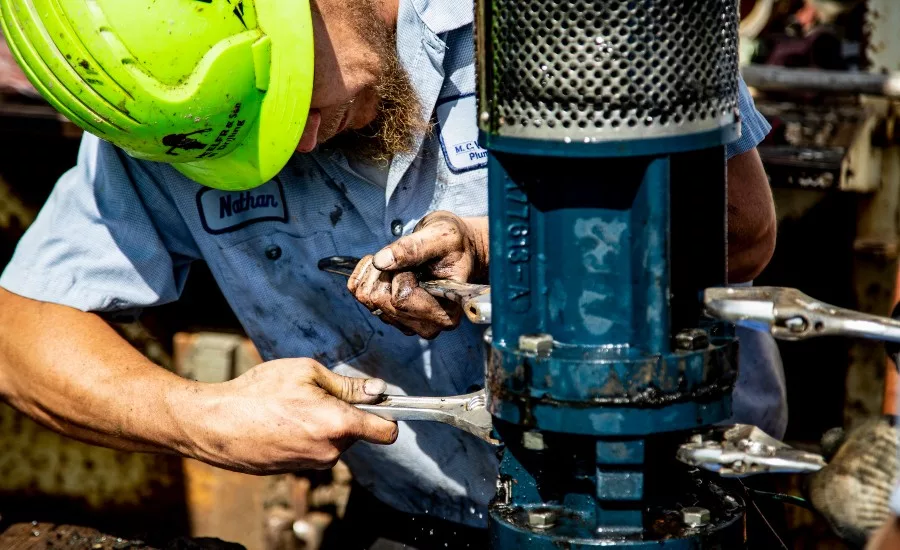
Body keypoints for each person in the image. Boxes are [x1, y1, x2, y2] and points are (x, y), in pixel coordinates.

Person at [0, 0, 782, 547]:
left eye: (289, 96)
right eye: (230, 148)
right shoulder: (167, 107)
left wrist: (497, 243)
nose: (294, 151)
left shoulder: (566, 13)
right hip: (419, 519)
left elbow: (743, 234)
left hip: (673, 513)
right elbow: (21, 332)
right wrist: (200, 419)